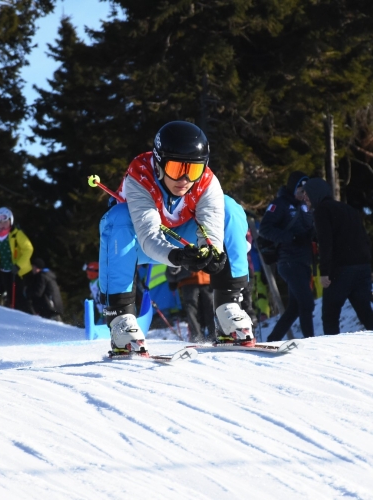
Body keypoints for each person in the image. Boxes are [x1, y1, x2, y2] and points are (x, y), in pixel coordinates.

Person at [99, 121, 253, 357]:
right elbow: (149, 235)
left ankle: (228, 307)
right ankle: (120, 319)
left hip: (182, 235)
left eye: (193, 170)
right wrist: (177, 256)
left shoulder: (206, 182)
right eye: (175, 168)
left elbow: (211, 227)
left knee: (230, 208)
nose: (184, 178)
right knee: (116, 217)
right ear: (159, 164)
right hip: (136, 243)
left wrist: (211, 251)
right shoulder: (140, 176)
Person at [303, 178, 373, 335]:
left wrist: (325, 271)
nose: (305, 198)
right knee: (366, 314)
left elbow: (326, 242)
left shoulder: (322, 210)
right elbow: (364, 238)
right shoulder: (348, 209)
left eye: (307, 194)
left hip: (341, 270)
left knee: (330, 315)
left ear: (315, 194)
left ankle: (330, 354)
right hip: (362, 267)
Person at [260, 171, 315, 341]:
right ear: (293, 188)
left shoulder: (307, 206)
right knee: (307, 303)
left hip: (304, 261)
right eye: (300, 189)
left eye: (306, 190)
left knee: (295, 307)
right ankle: (310, 341)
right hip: (288, 261)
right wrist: (291, 237)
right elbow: (265, 229)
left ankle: (273, 339)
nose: (303, 193)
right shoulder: (280, 204)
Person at [0, 207, 34, 310]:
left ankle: (28, 317)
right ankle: (13, 316)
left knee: (20, 296)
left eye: (5, 221)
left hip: (19, 271)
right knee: (9, 295)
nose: (2, 224)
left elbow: (29, 248)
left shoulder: (16, 234)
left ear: (10, 221)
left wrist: (19, 265)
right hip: (3, 270)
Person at [166, 267, 214, 342]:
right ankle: (209, 336)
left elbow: (173, 261)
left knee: (195, 309)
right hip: (200, 278)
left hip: (194, 279)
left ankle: (200, 336)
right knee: (208, 308)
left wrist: (172, 279)